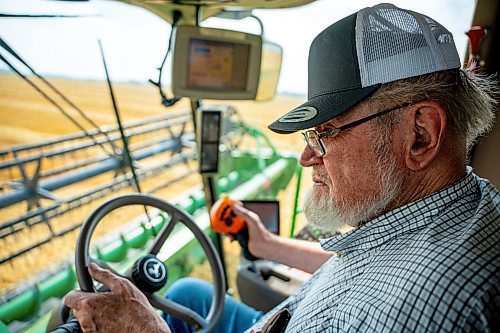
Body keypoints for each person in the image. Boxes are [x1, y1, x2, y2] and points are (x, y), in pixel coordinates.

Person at [64, 3, 500, 332]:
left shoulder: (418, 312)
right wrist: (268, 244)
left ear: (420, 134)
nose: (307, 156)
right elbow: (358, 260)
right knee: (187, 293)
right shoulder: (455, 206)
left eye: (325, 132)